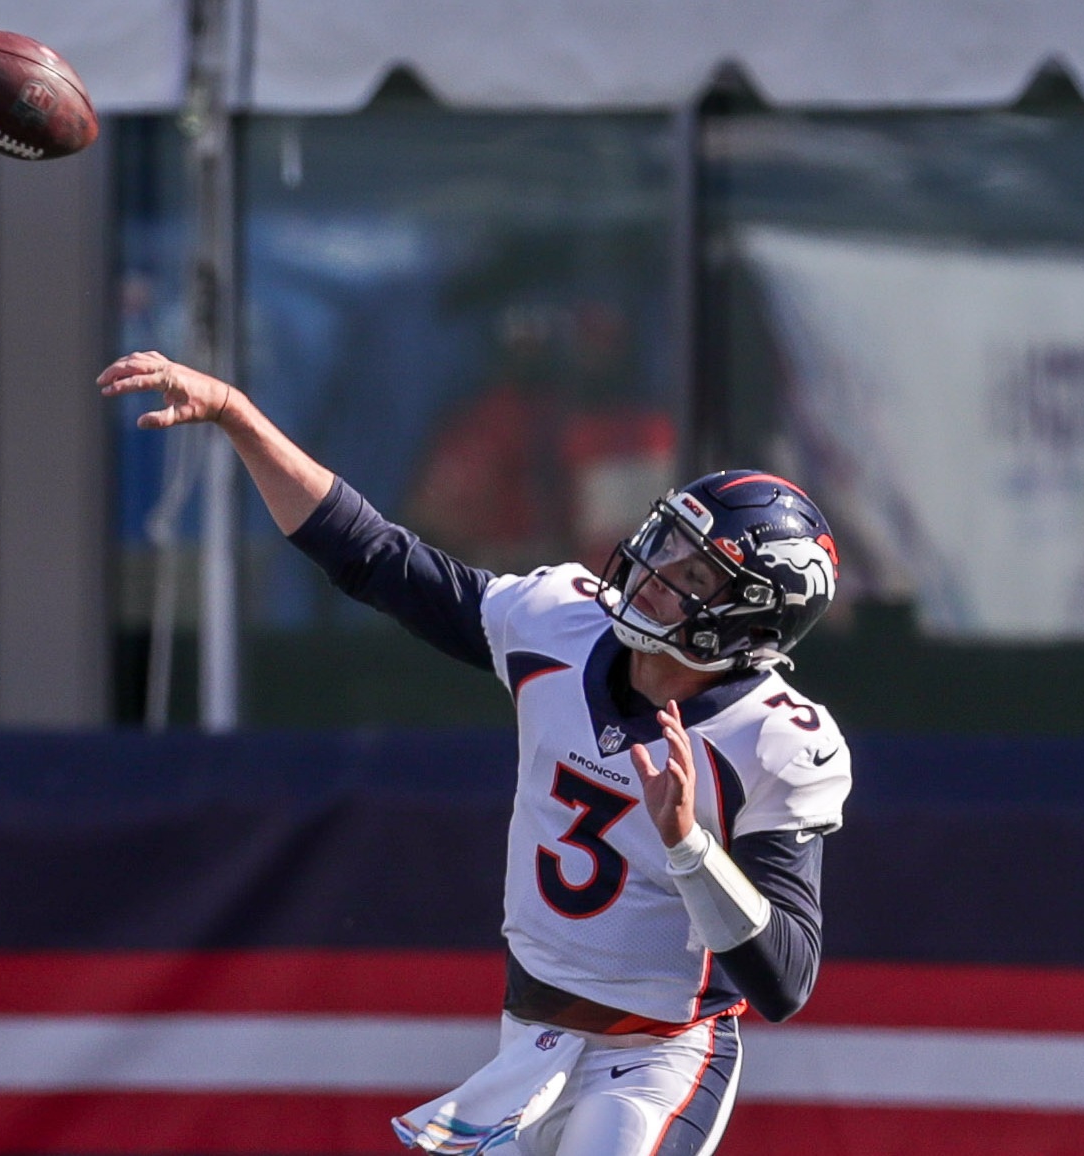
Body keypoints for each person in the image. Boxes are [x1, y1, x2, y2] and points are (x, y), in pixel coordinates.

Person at [99, 351, 850, 1156]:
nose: (655, 573)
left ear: (748, 619)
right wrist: (238, 419)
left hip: (658, 1054)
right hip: (530, 1038)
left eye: (692, 572)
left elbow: (784, 980)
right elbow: (374, 558)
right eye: (665, 546)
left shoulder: (768, 738)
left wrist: (689, 847)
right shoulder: (558, 625)